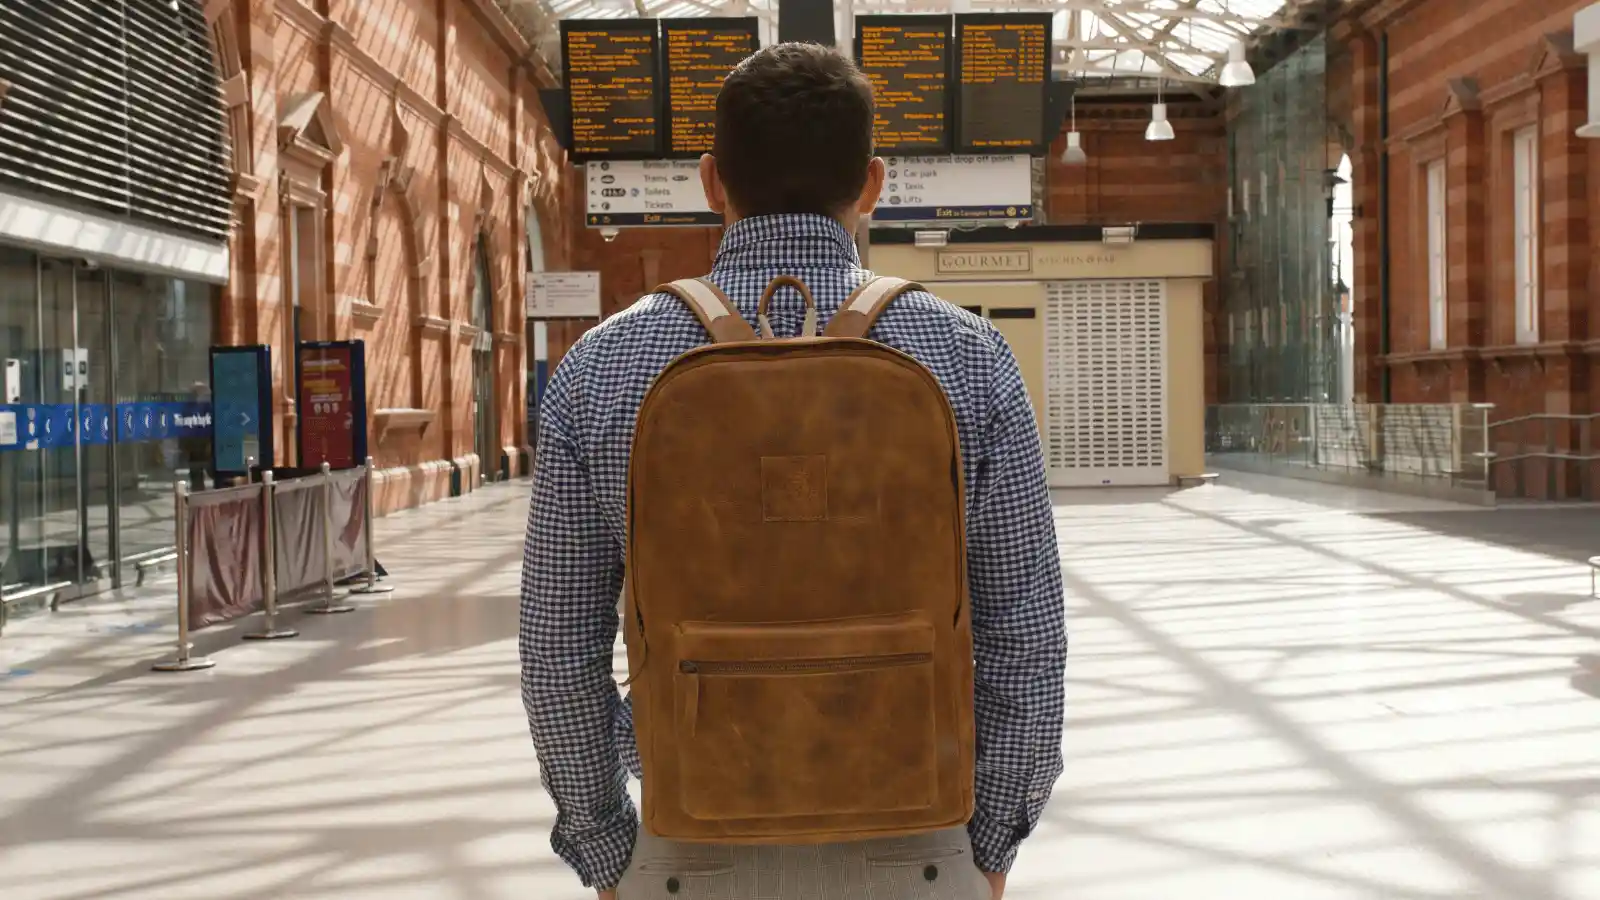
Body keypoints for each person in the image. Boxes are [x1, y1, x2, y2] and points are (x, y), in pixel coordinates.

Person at [521, 41, 1066, 900]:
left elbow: (558, 647)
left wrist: (604, 849)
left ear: (711, 182)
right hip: (916, 836)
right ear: (873, 184)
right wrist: (991, 842)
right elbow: (1026, 639)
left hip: (688, 834)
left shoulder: (600, 364)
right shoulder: (971, 355)